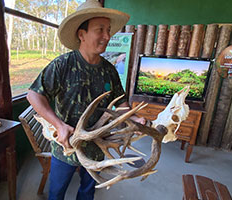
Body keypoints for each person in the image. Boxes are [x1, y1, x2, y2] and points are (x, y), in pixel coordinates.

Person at [27, 0, 145, 199]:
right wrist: (59, 125)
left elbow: (121, 104)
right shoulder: (62, 65)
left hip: (98, 147)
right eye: (100, 30)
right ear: (81, 34)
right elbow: (33, 94)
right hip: (66, 147)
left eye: (108, 30)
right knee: (56, 193)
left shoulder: (109, 71)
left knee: (87, 193)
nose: (107, 36)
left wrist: (135, 119)